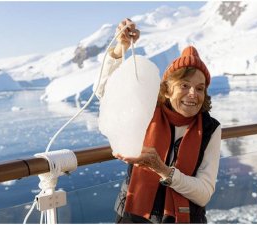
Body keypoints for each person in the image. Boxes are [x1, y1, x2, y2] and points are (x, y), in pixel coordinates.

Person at [94, 18, 221, 223]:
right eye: (184, 85)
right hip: (133, 213)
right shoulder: (147, 109)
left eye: (199, 88)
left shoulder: (210, 128)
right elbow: (107, 94)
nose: (192, 94)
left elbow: (204, 192)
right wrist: (120, 48)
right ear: (168, 90)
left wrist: (161, 169)